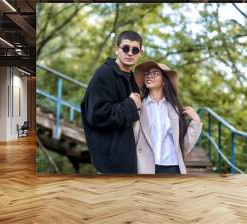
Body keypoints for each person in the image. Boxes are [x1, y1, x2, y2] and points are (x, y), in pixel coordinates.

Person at [81, 31, 143, 174]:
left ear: (141, 52)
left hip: (128, 159)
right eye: (125, 48)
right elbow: (97, 114)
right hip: (111, 163)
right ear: (116, 50)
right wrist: (131, 105)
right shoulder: (104, 73)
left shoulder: (130, 77)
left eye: (135, 50)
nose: (130, 53)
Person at [133, 61, 203, 174]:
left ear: (165, 81)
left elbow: (184, 147)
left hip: (173, 168)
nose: (149, 76)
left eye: (155, 73)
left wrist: (196, 122)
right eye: (146, 73)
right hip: (145, 168)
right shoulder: (138, 106)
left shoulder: (175, 110)